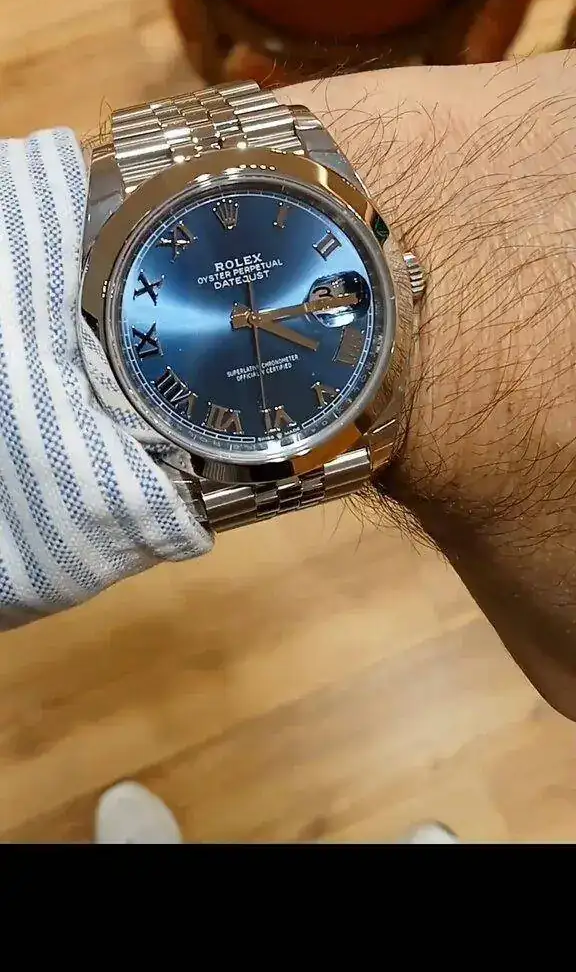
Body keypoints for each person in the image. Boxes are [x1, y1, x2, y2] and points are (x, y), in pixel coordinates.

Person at [3, 50, 576, 841]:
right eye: (243, 317)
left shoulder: (370, 292)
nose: (247, 317)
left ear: (401, 275)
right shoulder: (126, 338)